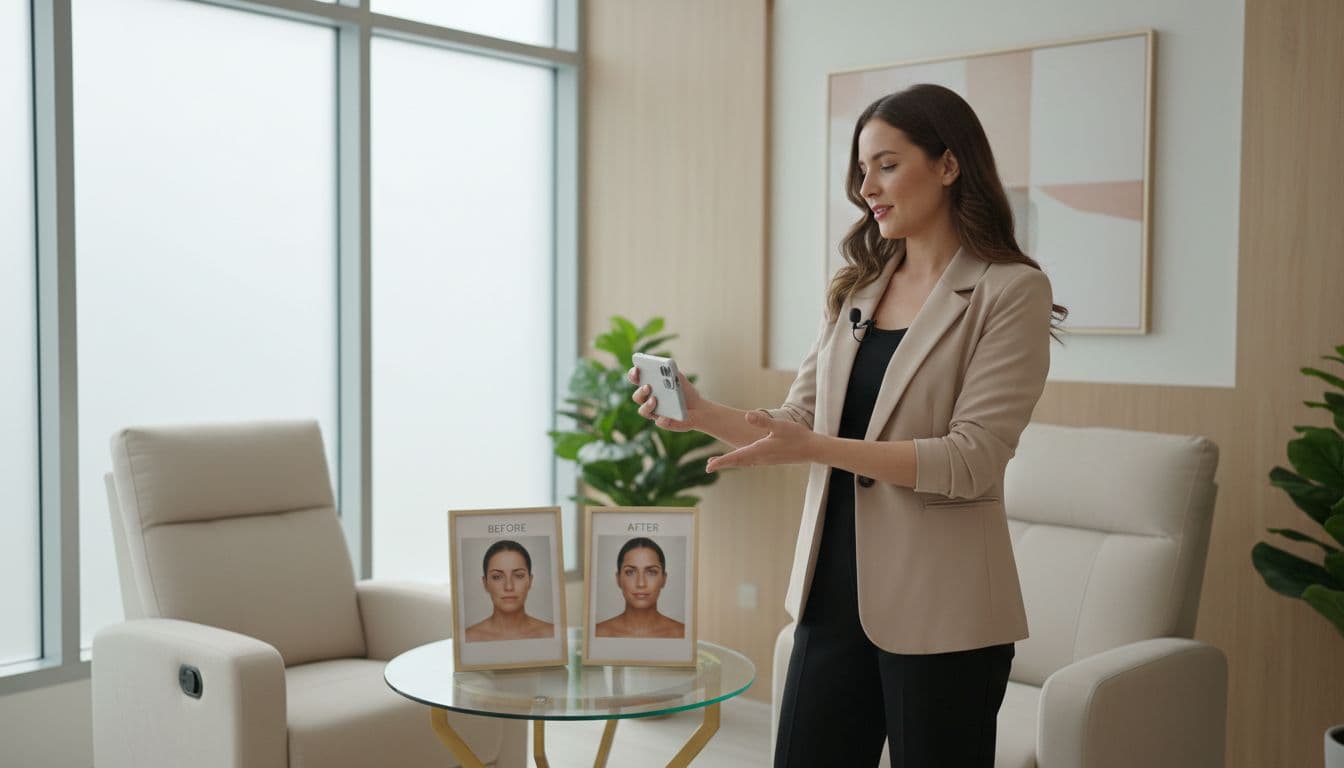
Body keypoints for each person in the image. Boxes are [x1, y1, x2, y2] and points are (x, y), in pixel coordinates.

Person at [629, 83, 1067, 767]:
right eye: (861, 170)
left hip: (945, 613)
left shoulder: (1009, 290)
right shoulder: (858, 288)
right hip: (829, 599)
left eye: (886, 164)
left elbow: (971, 459)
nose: (867, 187)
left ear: (948, 166)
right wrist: (700, 412)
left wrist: (817, 447)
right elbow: (799, 422)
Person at [464, 539, 555, 642]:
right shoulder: (468, 638)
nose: (509, 586)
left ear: (530, 581)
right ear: (485, 583)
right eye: (497, 577)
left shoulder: (551, 634)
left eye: (519, 576)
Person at [595, 537, 686, 638]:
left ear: (663, 579)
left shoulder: (682, 634)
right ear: (618, 579)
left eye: (651, 572)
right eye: (630, 572)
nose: (641, 583)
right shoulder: (598, 634)